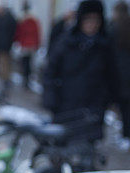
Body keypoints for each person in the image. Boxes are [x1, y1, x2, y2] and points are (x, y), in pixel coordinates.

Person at [43, 0, 117, 135]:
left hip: (93, 109)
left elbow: (112, 76)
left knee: (87, 149)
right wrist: (50, 98)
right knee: (62, 148)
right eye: (88, 20)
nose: (92, 24)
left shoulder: (105, 46)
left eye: (96, 20)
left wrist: (106, 100)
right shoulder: (66, 43)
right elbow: (50, 71)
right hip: (66, 106)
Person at [110, 1, 130, 142]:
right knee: (129, 104)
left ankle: (126, 134)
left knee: (122, 104)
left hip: (118, 69)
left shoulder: (115, 27)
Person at [15, 2, 40, 89]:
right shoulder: (33, 21)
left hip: (25, 45)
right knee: (28, 62)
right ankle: (27, 79)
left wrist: (18, 42)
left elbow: (19, 33)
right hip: (31, 45)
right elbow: (37, 33)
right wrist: (37, 44)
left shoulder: (22, 21)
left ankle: (25, 79)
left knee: (25, 63)